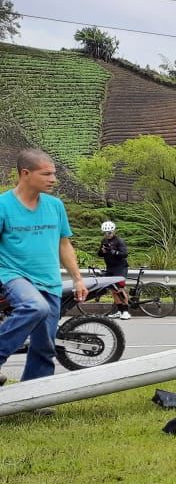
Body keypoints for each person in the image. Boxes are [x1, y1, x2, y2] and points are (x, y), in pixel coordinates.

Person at [0, 149, 88, 399]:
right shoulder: (3, 206)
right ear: (25, 174)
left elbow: (64, 244)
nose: (53, 179)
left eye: (54, 174)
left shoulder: (55, 205)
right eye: (46, 174)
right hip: (13, 274)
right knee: (34, 307)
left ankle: (33, 399)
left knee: (45, 345)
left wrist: (77, 278)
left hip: (49, 280)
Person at [96, 220, 131, 319]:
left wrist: (114, 252)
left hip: (120, 268)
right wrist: (102, 251)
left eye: (109, 233)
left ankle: (126, 311)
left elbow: (125, 254)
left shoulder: (119, 241)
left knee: (120, 289)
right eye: (105, 233)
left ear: (113, 231)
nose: (107, 235)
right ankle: (119, 311)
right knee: (113, 290)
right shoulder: (104, 241)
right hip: (110, 268)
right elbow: (99, 254)